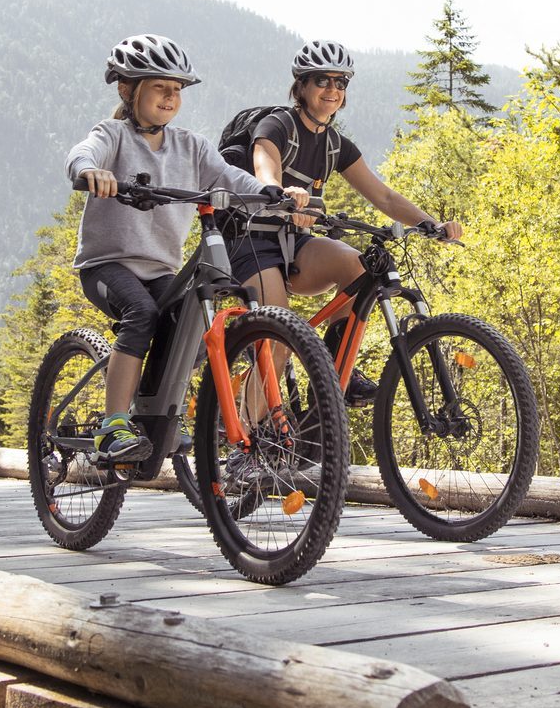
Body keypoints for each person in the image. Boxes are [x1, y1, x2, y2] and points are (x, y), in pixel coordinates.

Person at [66, 34, 287, 463]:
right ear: (128, 89)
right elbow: (84, 152)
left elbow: (229, 176)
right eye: (159, 88)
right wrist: (90, 170)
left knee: (191, 324)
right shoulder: (113, 135)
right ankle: (113, 425)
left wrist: (268, 192)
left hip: (159, 269)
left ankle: (158, 412)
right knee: (142, 314)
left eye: (177, 89)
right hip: (107, 265)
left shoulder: (191, 146)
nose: (170, 97)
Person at [227, 39, 464, 404]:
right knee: (278, 338)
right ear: (302, 86)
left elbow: (384, 197)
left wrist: (431, 224)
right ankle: (249, 434)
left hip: (294, 243)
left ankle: (335, 377)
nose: (332, 89)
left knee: (357, 267)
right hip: (250, 242)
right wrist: (281, 191)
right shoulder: (277, 125)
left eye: (341, 82)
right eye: (322, 80)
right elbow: (264, 165)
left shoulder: (336, 144)